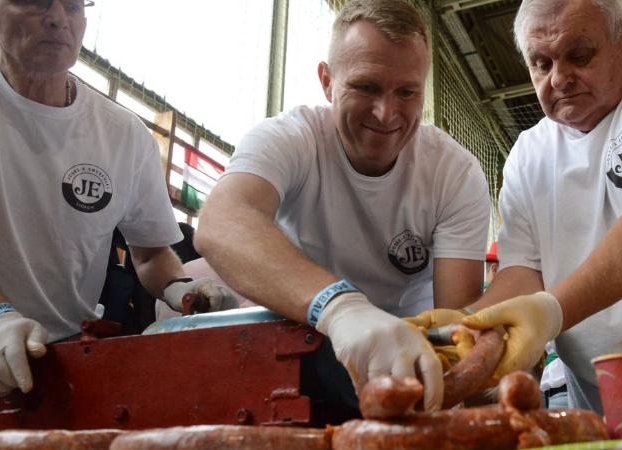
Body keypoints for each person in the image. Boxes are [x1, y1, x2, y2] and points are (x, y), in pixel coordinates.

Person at [411, 0, 622, 413]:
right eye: (541, 63)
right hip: (601, 410)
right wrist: (464, 325)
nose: (560, 78)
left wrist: (550, 311)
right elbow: (524, 274)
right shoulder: (528, 153)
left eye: (579, 55)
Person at [195, 0, 490, 415]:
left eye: (406, 92)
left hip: (407, 368)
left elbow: (455, 320)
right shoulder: (292, 138)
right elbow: (221, 223)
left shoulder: (454, 174)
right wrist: (339, 307)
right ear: (327, 81)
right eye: (366, 87)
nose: (386, 113)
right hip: (298, 351)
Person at [0, 0, 233, 435]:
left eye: (73, 4)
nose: (57, 18)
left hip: (62, 367)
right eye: (35, 2)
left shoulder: (123, 134)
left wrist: (181, 286)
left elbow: (149, 255)